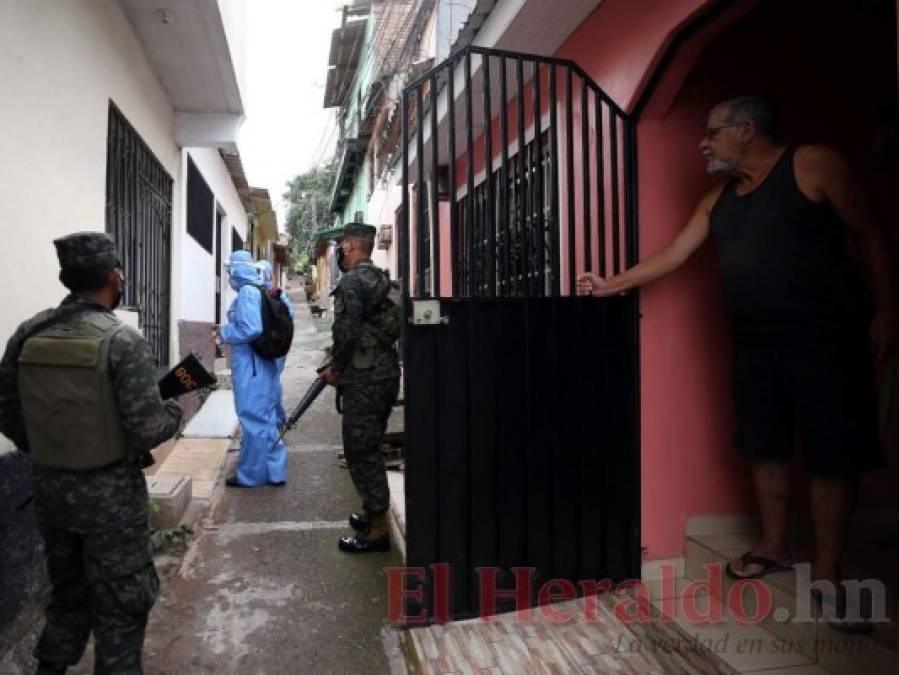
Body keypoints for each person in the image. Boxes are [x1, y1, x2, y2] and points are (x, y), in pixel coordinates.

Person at [578, 96, 895, 623]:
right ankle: (772, 546)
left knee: (832, 454)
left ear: (747, 130)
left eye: (712, 131)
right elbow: (676, 254)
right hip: (754, 342)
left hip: (827, 339)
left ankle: (828, 570)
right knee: (763, 447)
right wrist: (610, 285)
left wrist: (887, 311)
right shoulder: (718, 197)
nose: (703, 141)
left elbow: (870, 235)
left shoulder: (811, 163)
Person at [0, 232, 183, 674]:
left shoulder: (28, 332)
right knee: (121, 604)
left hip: (48, 489)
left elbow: (7, 410)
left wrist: (47, 446)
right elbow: (146, 428)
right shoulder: (122, 340)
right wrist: (173, 411)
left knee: (67, 593)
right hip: (111, 500)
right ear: (114, 276)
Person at [319, 223, 400, 553]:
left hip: (364, 378)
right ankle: (371, 511)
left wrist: (335, 369)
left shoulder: (352, 282)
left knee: (360, 450)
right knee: (371, 444)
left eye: (341, 245)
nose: (340, 250)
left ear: (351, 246)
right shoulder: (381, 278)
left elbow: (347, 333)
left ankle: (378, 529)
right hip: (385, 375)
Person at [215, 251, 285, 487]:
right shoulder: (261, 290)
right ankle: (276, 471)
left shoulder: (247, 292)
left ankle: (251, 476)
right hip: (263, 365)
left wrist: (223, 332)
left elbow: (250, 329)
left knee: (253, 420)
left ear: (236, 270)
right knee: (266, 419)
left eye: (230, 270)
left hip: (251, 367)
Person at [256, 259, 294, 430]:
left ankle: (276, 421)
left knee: (271, 385)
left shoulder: (273, 295)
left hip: (273, 347)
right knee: (271, 383)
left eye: (260, 272)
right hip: (276, 346)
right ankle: (277, 419)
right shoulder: (270, 294)